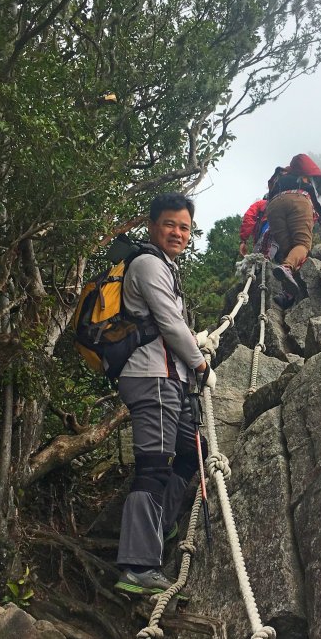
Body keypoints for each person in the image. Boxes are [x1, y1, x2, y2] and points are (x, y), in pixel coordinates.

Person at [114, 192, 214, 597]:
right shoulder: (148, 265)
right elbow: (171, 327)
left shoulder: (163, 266)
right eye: (170, 224)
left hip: (167, 379)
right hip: (152, 378)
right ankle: (137, 567)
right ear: (153, 225)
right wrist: (202, 364)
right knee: (154, 467)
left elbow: (172, 327)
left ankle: (159, 524)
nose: (178, 232)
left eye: (185, 227)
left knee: (193, 451)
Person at [263, 153, 321, 307]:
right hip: (299, 200)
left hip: (273, 207)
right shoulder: (309, 184)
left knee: (289, 251)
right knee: (303, 245)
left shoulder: (281, 180)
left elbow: (269, 230)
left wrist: (265, 253)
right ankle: (287, 269)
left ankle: (286, 294)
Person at [238, 167, 286, 259]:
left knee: (258, 262)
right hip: (288, 237)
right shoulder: (289, 201)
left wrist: (243, 240)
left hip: (269, 232)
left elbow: (248, 218)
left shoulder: (261, 204)